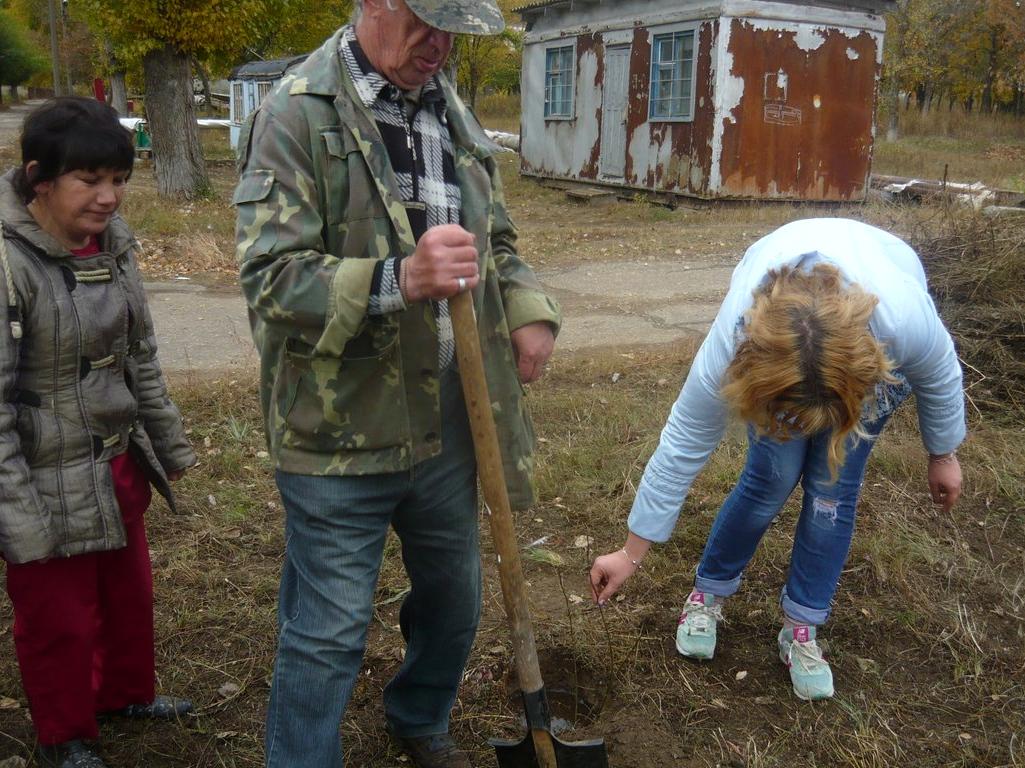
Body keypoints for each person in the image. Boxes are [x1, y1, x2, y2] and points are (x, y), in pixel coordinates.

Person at [233, 1, 560, 766]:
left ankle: (418, 716)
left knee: (453, 605)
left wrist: (526, 308)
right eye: (425, 22)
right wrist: (399, 277)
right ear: (374, 4)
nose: (439, 45)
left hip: (448, 419)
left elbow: (496, 240)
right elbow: (270, 281)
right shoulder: (294, 116)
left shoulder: (449, 109)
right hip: (336, 426)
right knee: (328, 631)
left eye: (454, 30)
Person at [589, 218, 964, 702]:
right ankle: (709, 593)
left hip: (865, 356)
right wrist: (630, 552)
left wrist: (943, 452)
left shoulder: (903, 322)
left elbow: (941, 373)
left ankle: (802, 627)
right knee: (771, 477)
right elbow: (683, 441)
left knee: (831, 491)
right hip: (782, 353)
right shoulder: (736, 339)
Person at [0, 97, 196, 768]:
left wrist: (168, 446)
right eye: (90, 180)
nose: (109, 197)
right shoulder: (7, 265)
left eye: (118, 179)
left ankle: (124, 695)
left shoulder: (113, 245)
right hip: (40, 474)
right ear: (39, 179)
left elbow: (139, 357)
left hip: (115, 465)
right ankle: (66, 737)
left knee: (126, 595)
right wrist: (16, 515)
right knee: (58, 620)